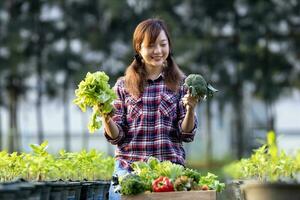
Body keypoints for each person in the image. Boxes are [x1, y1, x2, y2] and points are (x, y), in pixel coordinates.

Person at [102, 18, 199, 199]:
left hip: (170, 172)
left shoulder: (181, 85)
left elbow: (185, 134)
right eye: (151, 46)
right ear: (139, 48)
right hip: (129, 169)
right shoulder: (122, 86)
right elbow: (117, 137)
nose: (158, 51)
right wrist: (106, 118)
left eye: (163, 44)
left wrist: (191, 110)